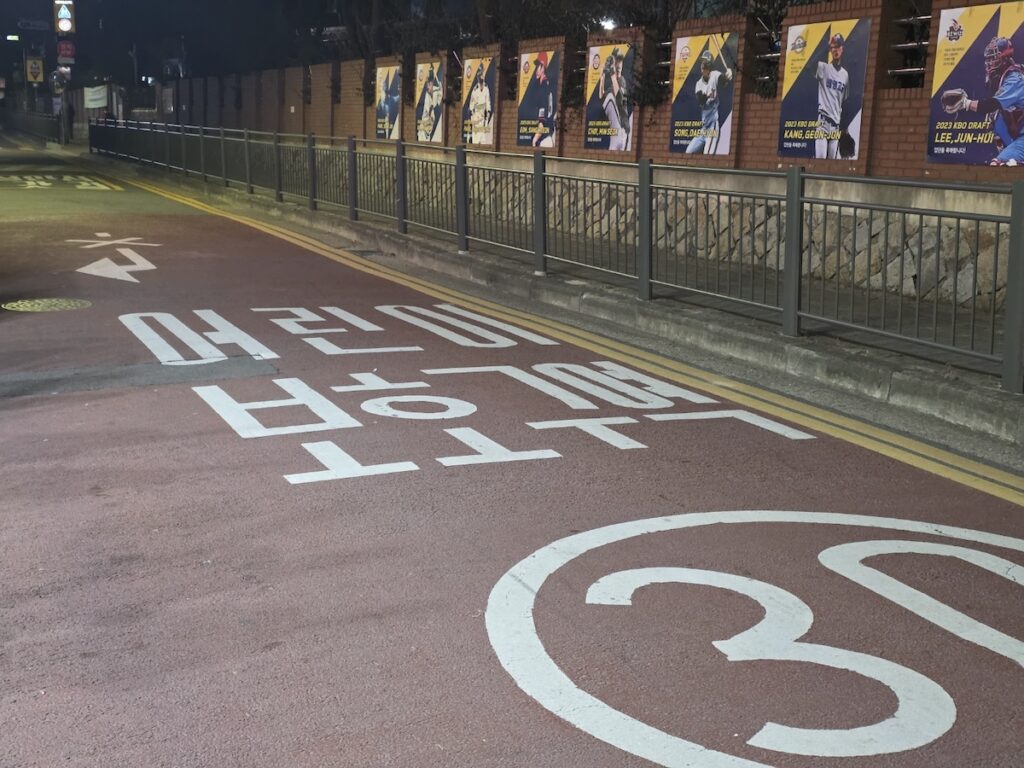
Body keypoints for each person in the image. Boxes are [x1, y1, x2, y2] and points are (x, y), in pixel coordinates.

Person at [941, 36, 1024, 166]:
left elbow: (990, 105)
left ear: (1004, 57)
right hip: (1018, 139)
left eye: (993, 57)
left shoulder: (1015, 78)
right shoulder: (1004, 78)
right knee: (997, 117)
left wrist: (965, 103)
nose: (989, 62)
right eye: (988, 58)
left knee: (999, 164)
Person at [686, 50, 732, 155]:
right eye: (702, 64)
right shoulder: (698, 83)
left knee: (707, 156)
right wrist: (707, 95)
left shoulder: (715, 75)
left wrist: (727, 76)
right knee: (688, 151)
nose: (703, 67)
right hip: (704, 129)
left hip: (712, 127)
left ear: (709, 67)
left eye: (705, 65)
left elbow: (722, 80)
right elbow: (700, 99)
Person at [814, 33, 850, 159]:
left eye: (838, 46)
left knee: (831, 165)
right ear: (830, 49)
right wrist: (825, 46)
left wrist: (844, 128)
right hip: (823, 123)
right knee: (820, 163)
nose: (835, 49)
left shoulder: (845, 75)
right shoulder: (823, 68)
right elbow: (810, 65)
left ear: (842, 48)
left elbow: (844, 102)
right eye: (833, 47)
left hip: (836, 126)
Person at [599, 48, 630, 150]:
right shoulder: (612, 86)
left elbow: (619, 96)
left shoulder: (622, 81)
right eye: (617, 61)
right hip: (615, 133)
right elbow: (601, 96)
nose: (619, 64)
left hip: (623, 131)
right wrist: (602, 78)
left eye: (620, 61)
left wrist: (612, 73)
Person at [523, 52, 555, 147]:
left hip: (546, 138)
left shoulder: (544, 88)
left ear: (543, 68)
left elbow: (542, 123)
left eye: (538, 67)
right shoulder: (542, 85)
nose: (536, 70)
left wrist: (534, 139)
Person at [468, 63, 492, 144]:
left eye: (483, 74)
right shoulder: (475, 90)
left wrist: (488, 113)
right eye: (481, 74)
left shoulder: (486, 88)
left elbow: (488, 102)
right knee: (476, 140)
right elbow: (471, 106)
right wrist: (474, 116)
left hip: (484, 118)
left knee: (483, 140)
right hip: (476, 118)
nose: (482, 76)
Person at [417, 65, 442, 142]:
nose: (427, 86)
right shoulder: (426, 95)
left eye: (429, 84)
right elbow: (430, 108)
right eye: (427, 84)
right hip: (424, 125)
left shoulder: (436, 91)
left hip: (431, 125)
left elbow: (440, 100)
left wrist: (440, 89)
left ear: (432, 83)